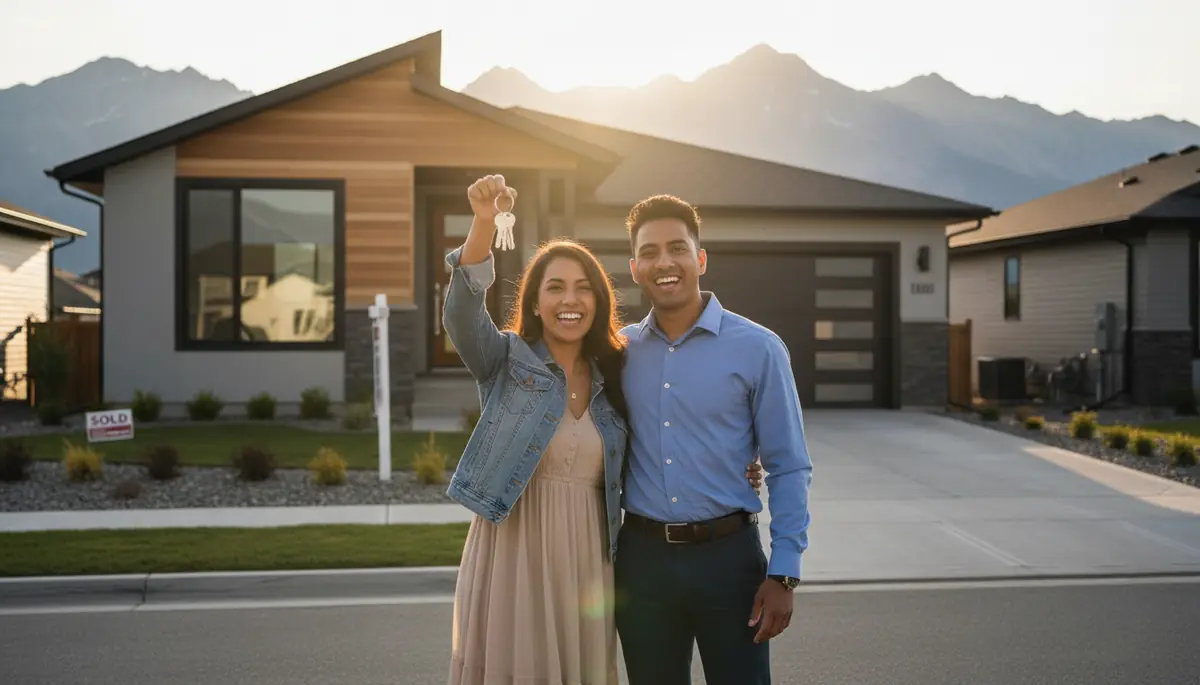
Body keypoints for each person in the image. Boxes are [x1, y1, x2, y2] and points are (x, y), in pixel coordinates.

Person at [441, 175, 764, 685]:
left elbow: (667, 434)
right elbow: (461, 313)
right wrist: (483, 224)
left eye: (583, 288)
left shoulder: (618, 370)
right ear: (534, 301)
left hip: (589, 558)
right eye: (555, 288)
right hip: (515, 553)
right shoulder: (505, 360)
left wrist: (738, 464)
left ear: (598, 300)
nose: (570, 300)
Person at [613, 194, 814, 685]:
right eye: (651, 252)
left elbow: (788, 465)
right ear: (635, 267)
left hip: (730, 561)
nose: (666, 262)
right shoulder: (618, 353)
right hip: (643, 565)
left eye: (678, 248)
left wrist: (784, 571)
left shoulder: (759, 348)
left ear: (700, 259)